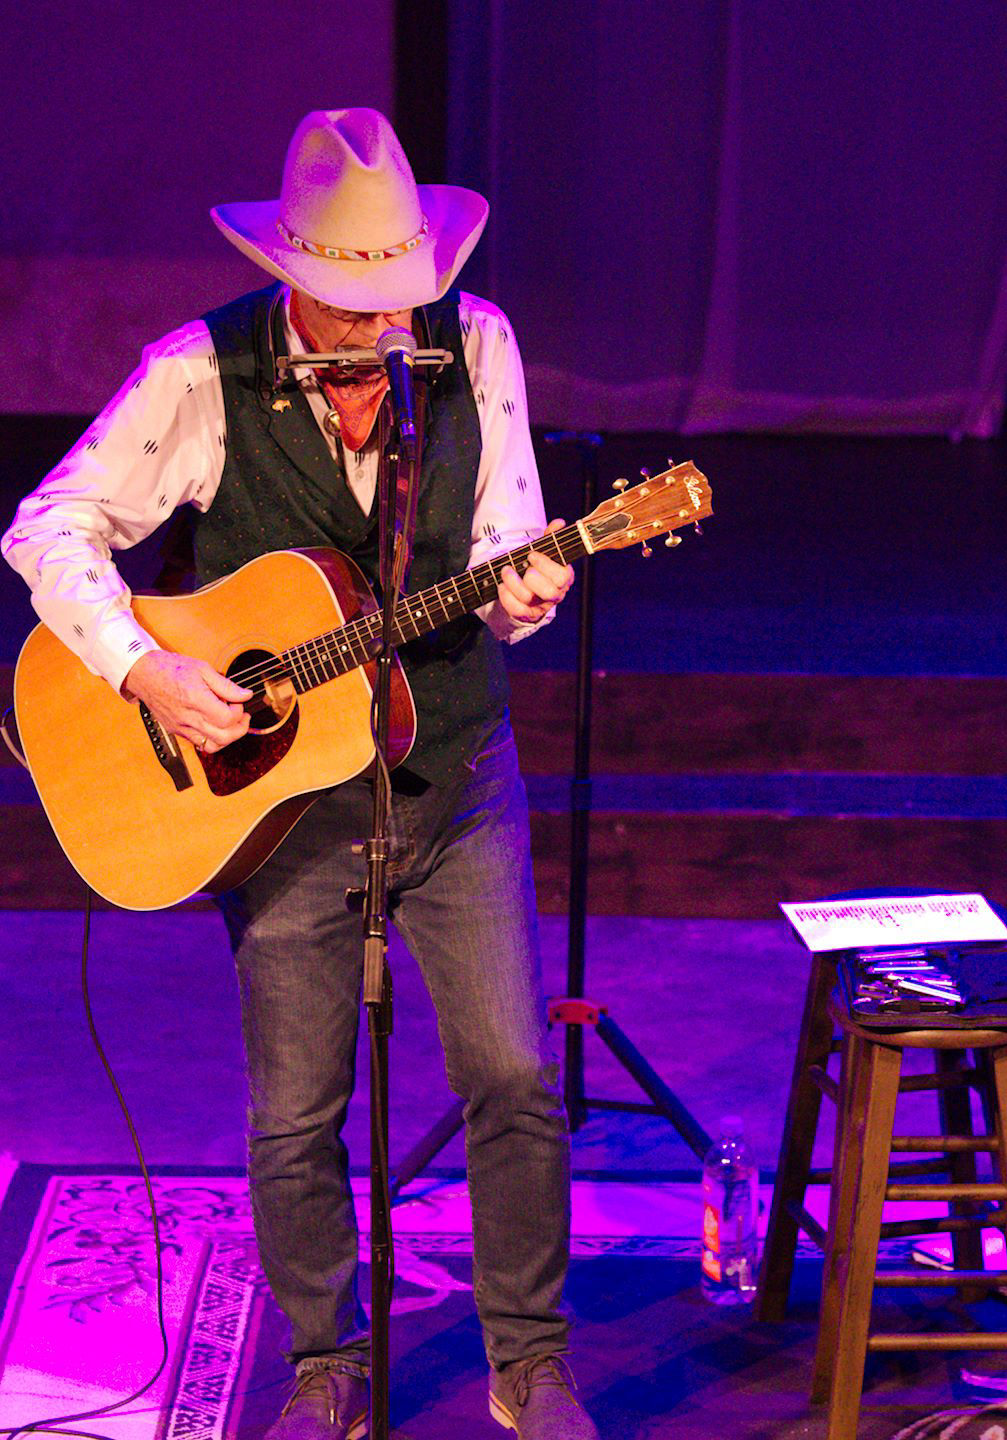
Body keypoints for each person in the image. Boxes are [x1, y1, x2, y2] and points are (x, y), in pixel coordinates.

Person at [3, 109, 595, 1440]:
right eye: (345, 305)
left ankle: (532, 1358)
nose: (374, 330)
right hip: (280, 813)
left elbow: (502, 554)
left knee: (510, 1070)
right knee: (295, 1109)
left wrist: (532, 591)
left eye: (395, 301)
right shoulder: (197, 376)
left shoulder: (475, 344)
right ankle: (328, 1365)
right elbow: (49, 525)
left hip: (453, 769)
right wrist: (142, 667)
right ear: (291, 277)